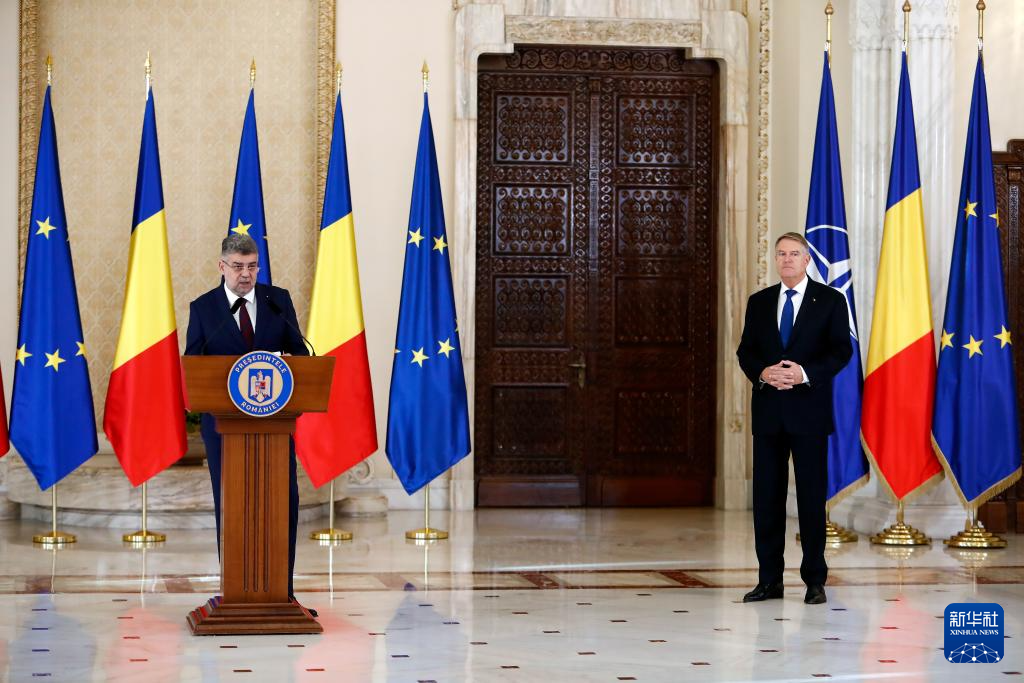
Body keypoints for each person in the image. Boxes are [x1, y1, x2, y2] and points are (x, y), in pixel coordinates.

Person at [185, 233, 310, 608]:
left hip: (275, 425)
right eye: (238, 266)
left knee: (283, 503)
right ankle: (235, 592)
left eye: (253, 266)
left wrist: (292, 363)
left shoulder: (277, 300)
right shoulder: (204, 308)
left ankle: (283, 593)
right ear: (222, 266)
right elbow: (193, 366)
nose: (246, 274)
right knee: (231, 503)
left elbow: (301, 355)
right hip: (224, 427)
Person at [735, 232, 852, 605]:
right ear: (775, 259)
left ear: (806, 260)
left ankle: (815, 580)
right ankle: (769, 580)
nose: (786, 259)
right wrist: (762, 372)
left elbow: (841, 351)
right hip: (769, 414)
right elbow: (746, 351)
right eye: (781, 254)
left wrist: (803, 373)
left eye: (794, 254)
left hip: (809, 413)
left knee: (811, 500)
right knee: (767, 501)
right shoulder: (759, 302)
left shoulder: (830, 300)